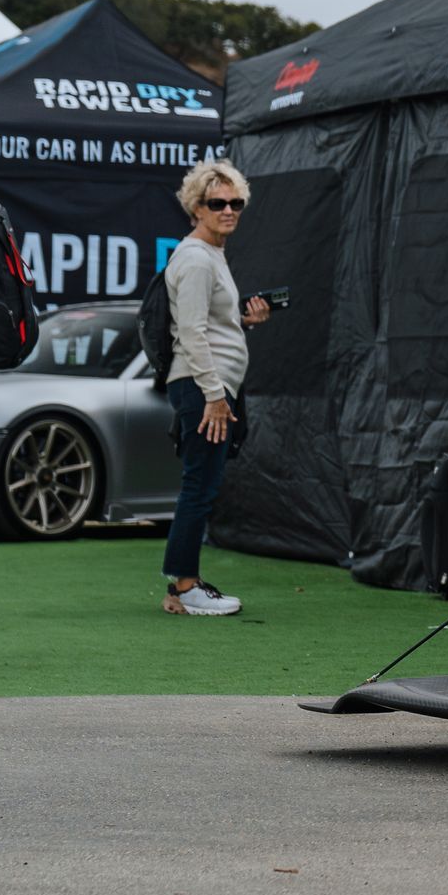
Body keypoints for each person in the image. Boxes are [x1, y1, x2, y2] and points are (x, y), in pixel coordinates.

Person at [161, 160, 271, 617]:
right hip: (203, 388)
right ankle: (185, 587)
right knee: (199, 488)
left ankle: (184, 584)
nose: (228, 211)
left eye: (236, 203)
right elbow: (190, 332)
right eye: (217, 203)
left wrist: (243, 321)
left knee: (201, 486)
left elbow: (208, 324)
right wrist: (213, 394)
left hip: (209, 385)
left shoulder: (210, 256)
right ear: (197, 207)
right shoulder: (194, 258)